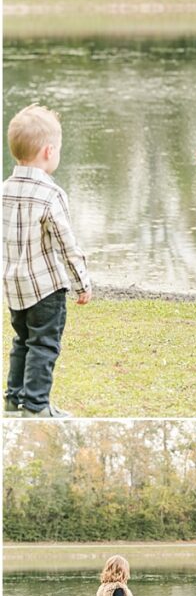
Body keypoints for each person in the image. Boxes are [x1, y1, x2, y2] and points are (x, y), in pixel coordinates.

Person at [3, 105, 91, 417]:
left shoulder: (5, 190)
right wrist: (82, 282)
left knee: (22, 341)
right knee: (44, 344)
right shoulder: (50, 194)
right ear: (48, 151)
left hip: (14, 287)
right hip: (46, 288)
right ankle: (37, 405)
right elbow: (67, 245)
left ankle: (14, 399)